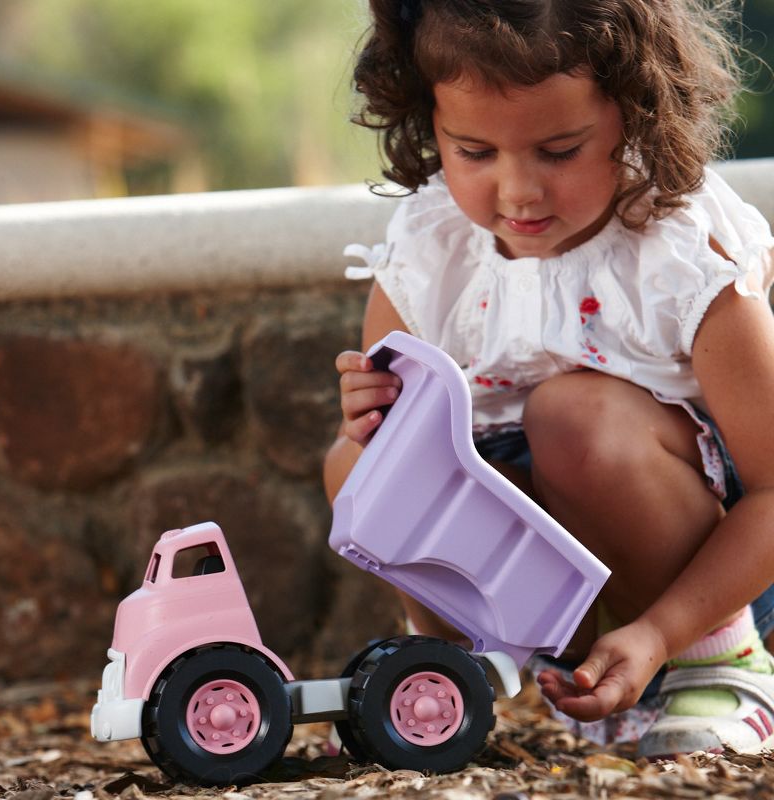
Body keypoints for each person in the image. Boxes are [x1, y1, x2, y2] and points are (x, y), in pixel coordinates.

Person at [323, 0, 774, 757]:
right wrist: (373, 418)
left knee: (573, 417)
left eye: (559, 151)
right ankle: (447, 676)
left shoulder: (683, 255)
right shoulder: (432, 250)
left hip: (699, 591)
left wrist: (661, 632)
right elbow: (390, 458)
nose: (518, 192)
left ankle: (724, 671)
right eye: (474, 152)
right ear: (429, 122)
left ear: (635, 111)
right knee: (358, 463)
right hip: (541, 603)